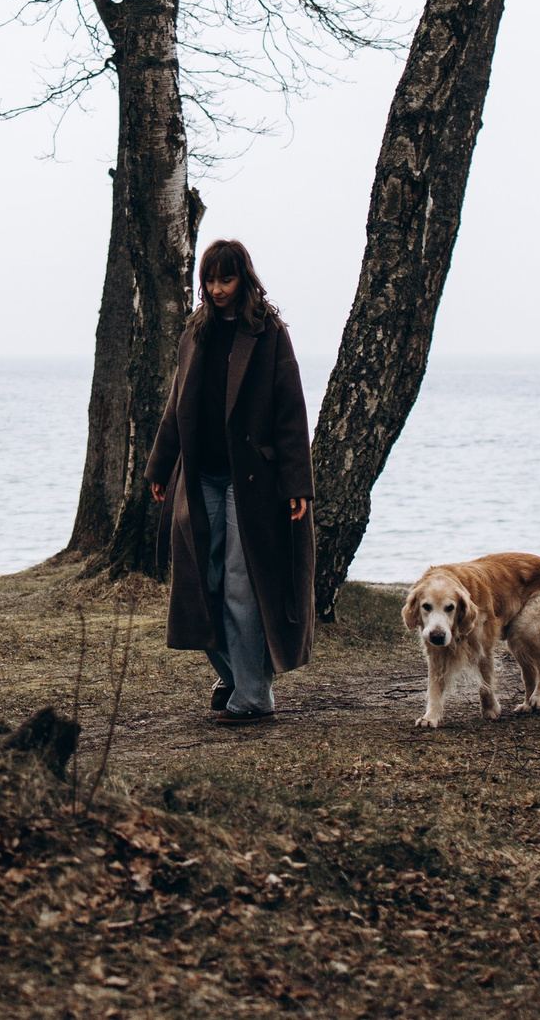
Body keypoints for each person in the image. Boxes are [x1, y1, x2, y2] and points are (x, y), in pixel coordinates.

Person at [144, 239, 316, 725]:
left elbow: (290, 413)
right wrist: (161, 466)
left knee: (243, 586)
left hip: (254, 483)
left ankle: (252, 698)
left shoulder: (269, 333)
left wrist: (297, 484)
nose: (217, 290)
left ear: (244, 278)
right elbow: (176, 404)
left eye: (227, 279)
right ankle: (240, 677)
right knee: (205, 583)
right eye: (210, 281)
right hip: (201, 478)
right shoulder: (195, 333)